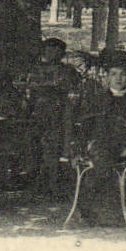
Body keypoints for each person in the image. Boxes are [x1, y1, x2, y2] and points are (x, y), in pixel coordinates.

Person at [16, 38, 79, 194]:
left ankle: (52, 185)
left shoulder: (67, 71)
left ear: (62, 54)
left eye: (57, 51)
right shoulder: (34, 69)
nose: (52, 54)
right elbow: (26, 90)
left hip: (59, 114)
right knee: (31, 144)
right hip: (34, 114)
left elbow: (72, 91)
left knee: (53, 148)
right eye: (49, 49)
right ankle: (32, 179)